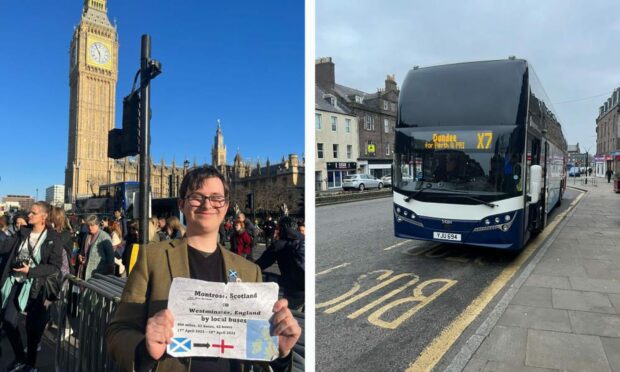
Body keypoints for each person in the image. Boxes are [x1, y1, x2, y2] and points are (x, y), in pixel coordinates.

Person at [106, 165, 301, 371]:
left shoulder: (248, 271)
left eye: (216, 198)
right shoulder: (152, 259)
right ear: (182, 204)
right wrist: (144, 349)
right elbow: (118, 331)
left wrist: (280, 352)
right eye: (197, 197)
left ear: (225, 207)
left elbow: (257, 349)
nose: (207, 204)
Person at [0, 202, 63, 371]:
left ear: (44, 217)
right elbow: (4, 246)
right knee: (7, 321)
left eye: (33, 213)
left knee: (32, 329)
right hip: (16, 282)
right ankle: (20, 357)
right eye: (30, 212)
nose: (29, 215)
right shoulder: (23, 232)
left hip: (37, 287)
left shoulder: (53, 238)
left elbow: (55, 266)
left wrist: (32, 271)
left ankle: (30, 364)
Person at [256, 216, 305, 311]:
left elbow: (260, 265)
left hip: (293, 293)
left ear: (282, 228)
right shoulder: (303, 240)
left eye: (278, 228)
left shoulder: (279, 245)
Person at [76, 215, 114, 281]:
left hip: (98, 275)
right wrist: (79, 255)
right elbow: (82, 251)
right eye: (88, 226)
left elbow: (110, 260)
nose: (90, 228)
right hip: (84, 272)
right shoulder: (86, 235)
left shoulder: (104, 237)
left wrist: (107, 276)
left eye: (92, 225)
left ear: (97, 225)